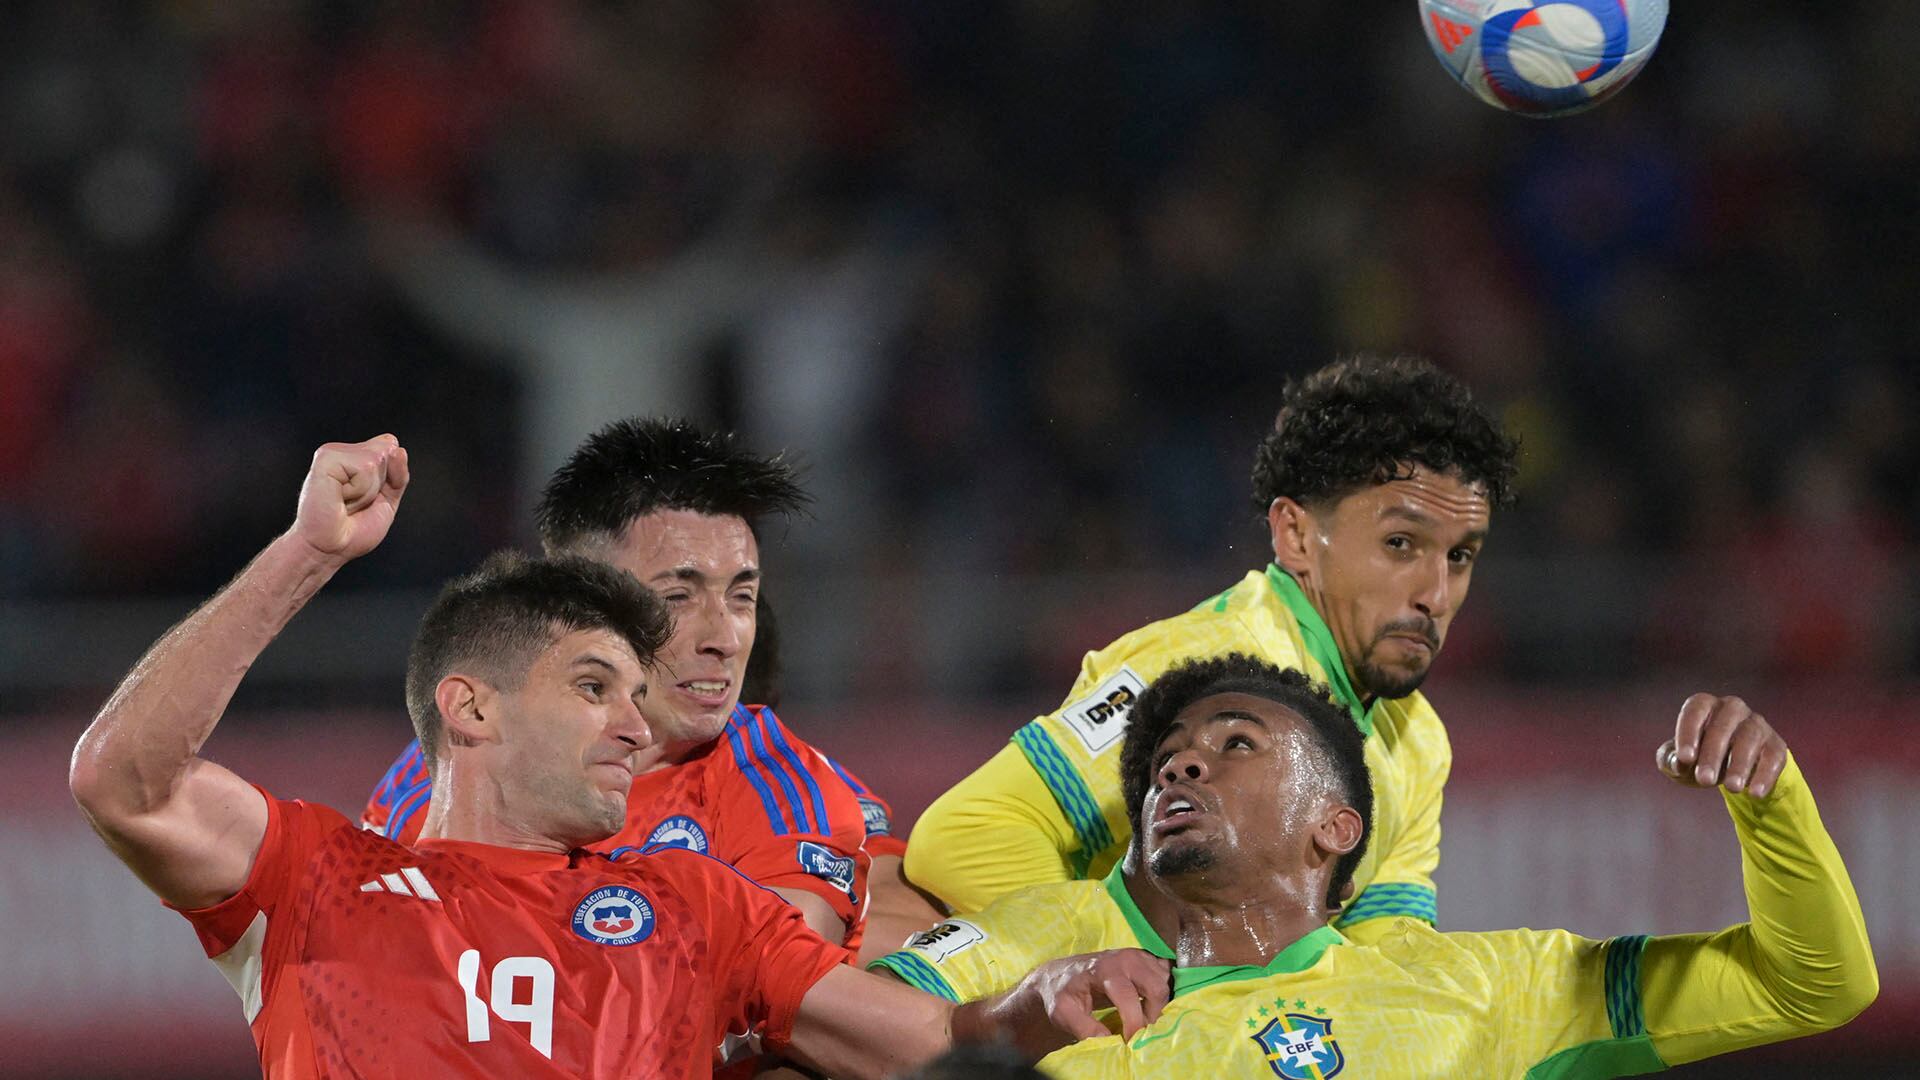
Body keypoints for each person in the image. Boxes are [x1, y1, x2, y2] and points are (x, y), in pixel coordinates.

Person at [67, 436, 1165, 1079]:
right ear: (471, 711)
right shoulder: (327, 874)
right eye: (597, 689)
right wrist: (308, 551)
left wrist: (1036, 1004)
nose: (636, 725)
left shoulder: (696, 901)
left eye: (742, 596)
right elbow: (123, 783)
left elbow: (921, 1039)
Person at [883, 654, 1877, 1077]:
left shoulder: (1491, 991)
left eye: (1236, 744)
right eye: (1165, 760)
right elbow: (840, 1025)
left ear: (1336, 827)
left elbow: (1810, 983)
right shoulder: (1071, 1014)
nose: (1178, 765)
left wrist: (1773, 805)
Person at [907, 354, 1520, 944]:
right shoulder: (1199, 668)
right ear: (1296, 535)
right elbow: (968, 833)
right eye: (1400, 544)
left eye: (1460, 555)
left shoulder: (1416, 739)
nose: (1437, 595)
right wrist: (1133, 978)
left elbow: (1386, 952)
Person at [362, 418, 939, 960]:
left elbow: (777, 981)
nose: (724, 639)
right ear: (582, 598)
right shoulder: (453, 757)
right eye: (677, 597)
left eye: (741, 597)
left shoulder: (778, 786)